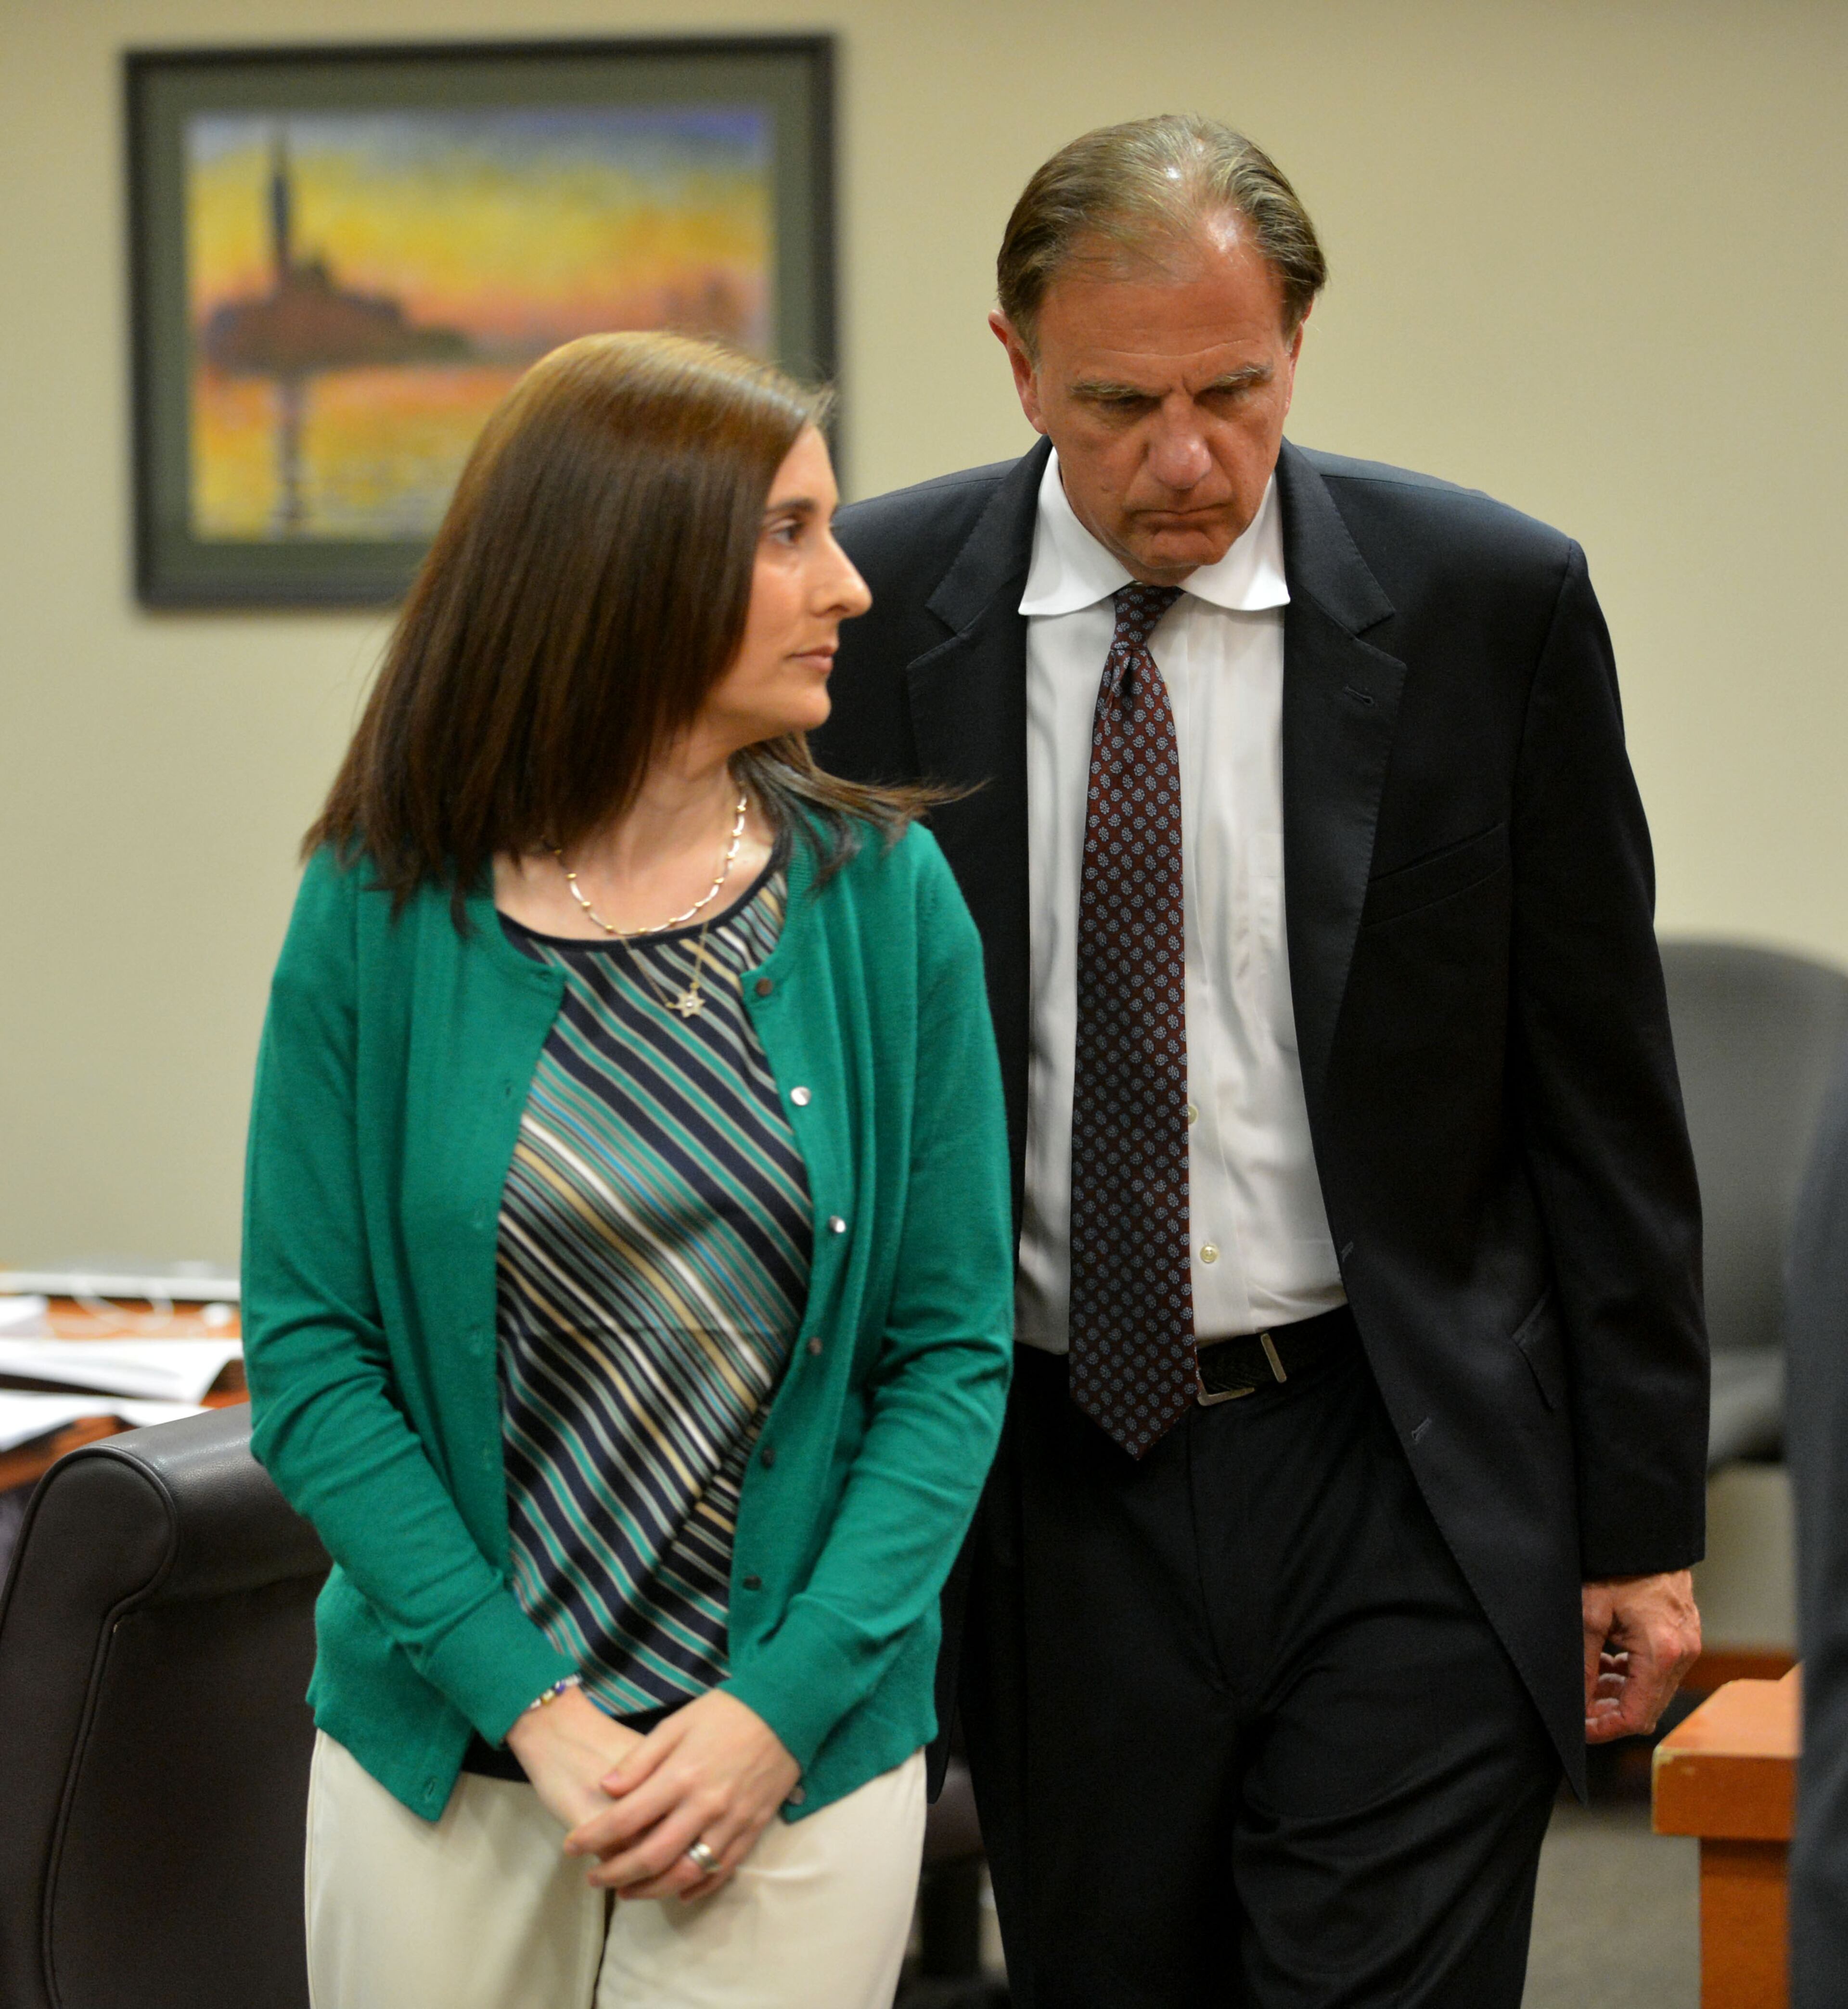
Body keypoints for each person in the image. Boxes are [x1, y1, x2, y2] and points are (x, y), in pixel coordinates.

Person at [813, 115, 1709, 2007]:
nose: (1188, 459)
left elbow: (1602, 1100)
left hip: (1401, 1455)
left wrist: (1640, 1528)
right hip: (1051, 1482)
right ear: (1017, 363)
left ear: (1300, 341)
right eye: (1119, 404)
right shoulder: (875, 624)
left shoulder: (1489, 604)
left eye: (1235, 390)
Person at [241, 331, 1014, 2009]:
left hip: (791, 1762)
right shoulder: (381, 906)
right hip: (450, 1756)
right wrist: (533, 1704)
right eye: (792, 533)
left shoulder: (886, 905)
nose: (854, 585)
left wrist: (776, 1709)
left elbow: (949, 1359)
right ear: (629, 571)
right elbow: (313, 1358)